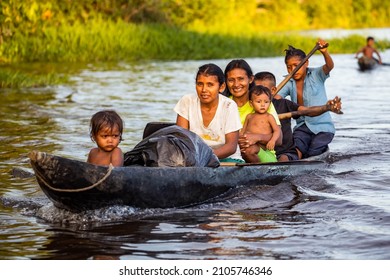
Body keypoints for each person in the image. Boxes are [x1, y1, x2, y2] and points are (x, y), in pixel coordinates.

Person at [252, 71, 342, 162]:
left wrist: (326, 108)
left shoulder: (283, 104)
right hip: (264, 151)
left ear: (273, 91)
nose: (259, 94)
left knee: (283, 159)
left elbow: (307, 111)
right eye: (256, 90)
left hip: (285, 152)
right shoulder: (251, 107)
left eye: (263, 90)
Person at [276, 39, 335, 159]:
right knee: (296, 148)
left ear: (306, 63)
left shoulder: (316, 74)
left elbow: (329, 66)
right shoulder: (288, 81)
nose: (293, 70)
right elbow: (276, 98)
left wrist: (324, 52)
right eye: (289, 67)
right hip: (302, 127)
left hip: (322, 127)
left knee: (313, 151)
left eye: (296, 66)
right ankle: (291, 163)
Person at [174, 63, 244, 163]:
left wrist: (205, 156)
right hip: (193, 158)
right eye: (200, 84)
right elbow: (182, 139)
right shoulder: (187, 101)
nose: (204, 90)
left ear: (221, 87)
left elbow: (231, 147)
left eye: (210, 85)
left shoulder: (229, 105)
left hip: (226, 158)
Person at [240, 85, 281, 163]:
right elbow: (242, 132)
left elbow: (277, 130)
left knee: (249, 150)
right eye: (258, 102)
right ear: (251, 103)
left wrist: (272, 140)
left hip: (266, 152)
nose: (263, 105)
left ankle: (259, 169)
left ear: (270, 103)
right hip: (251, 149)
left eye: (266, 102)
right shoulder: (249, 117)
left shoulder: (269, 117)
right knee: (244, 150)